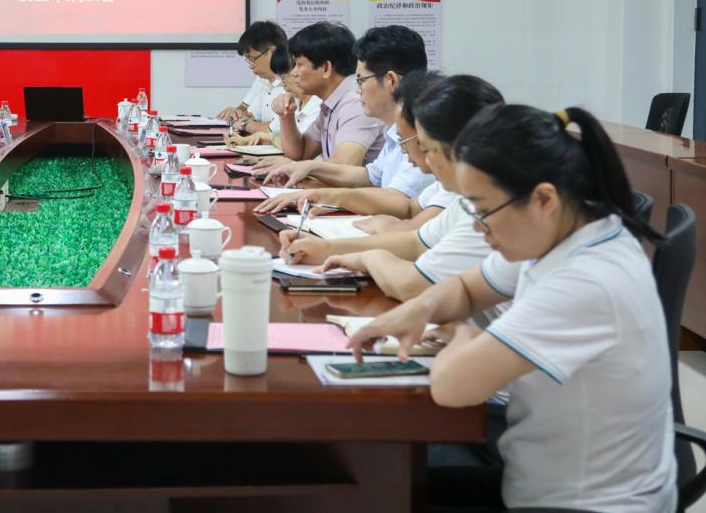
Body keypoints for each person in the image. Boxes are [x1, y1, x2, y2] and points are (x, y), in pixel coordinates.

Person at [348, 105, 675, 512]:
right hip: (547, 475)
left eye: (484, 211)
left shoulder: (586, 281)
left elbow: (452, 386)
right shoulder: (567, 232)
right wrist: (420, 308)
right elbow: (468, 288)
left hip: (583, 503)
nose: (478, 227)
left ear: (543, 199)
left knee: (374, 490)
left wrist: (463, 335)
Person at [292, 76, 504, 305]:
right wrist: (323, 248)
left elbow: (410, 284)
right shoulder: (468, 199)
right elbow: (416, 241)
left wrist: (368, 258)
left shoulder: (489, 208)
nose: (425, 160)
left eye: (427, 148)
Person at [258, 24, 432, 208]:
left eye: (361, 80)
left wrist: (323, 195)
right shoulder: (395, 130)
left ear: (391, 80)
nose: (357, 90)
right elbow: (370, 176)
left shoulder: (424, 131)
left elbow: (400, 201)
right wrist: (309, 167)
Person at [287, 70, 451, 233]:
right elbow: (402, 202)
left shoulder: (455, 187)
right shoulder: (442, 180)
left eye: (361, 80)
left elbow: (410, 225)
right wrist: (327, 189)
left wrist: (337, 197)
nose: (357, 90)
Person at [249, 22, 384, 173]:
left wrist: (294, 167)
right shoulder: (332, 101)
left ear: (326, 68)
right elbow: (300, 153)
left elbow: (344, 165)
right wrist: (286, 115)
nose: (294, 73)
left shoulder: (355, 101)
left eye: (299, 65)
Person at [215, 21, 290, 135]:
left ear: (272, 52)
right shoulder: (263, 80)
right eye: (248, 60)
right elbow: (249, 117)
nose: (250, 65)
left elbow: (278, 128)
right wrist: (241, 118)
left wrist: (245, 123)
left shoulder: (292, 83)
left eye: (252, 59)